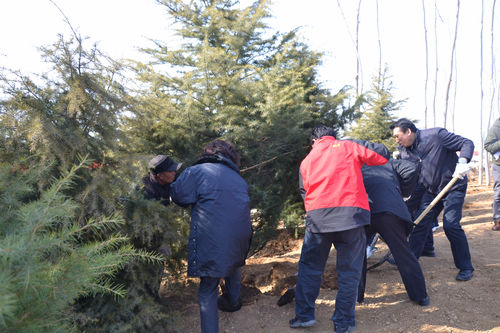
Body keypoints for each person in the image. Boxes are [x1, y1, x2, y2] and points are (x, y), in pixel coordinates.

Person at [290, 125, 389, 333]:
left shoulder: (307, 160)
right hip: (351, 218)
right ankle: (343, 323)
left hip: (318, 221)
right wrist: (354, 142)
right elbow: (382, 154)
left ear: (313, 141)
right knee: (349, 272)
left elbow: (304, 191)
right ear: (332, 136)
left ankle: (304, 316)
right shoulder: (348, 147)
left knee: (309, 269)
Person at [170, 140, 252, 333]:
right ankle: (233, 301)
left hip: (212, 237)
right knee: (233, 264)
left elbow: (180, 197)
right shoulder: (238, 178)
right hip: (241, 236)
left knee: (208, 288)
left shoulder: (197, 171)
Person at [391, 118, 474, 281]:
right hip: (431, 190)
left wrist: (463, 161)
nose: (396, 140)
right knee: (420, 222)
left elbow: (467, 143)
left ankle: (466, 267)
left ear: (408, 131)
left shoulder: (436, 135)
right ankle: (411, 258)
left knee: (451, 225)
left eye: (397, 136)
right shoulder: (404, 151)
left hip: (453, 186)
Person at [356, 149, 429, 306]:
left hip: (362, 211)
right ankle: (420, 295)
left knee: (357, 254)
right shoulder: (388, 163)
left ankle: (357, 296)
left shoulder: (357, 165)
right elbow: (411, 168)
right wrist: (404, 191)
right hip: (389, 212)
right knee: (403, 253)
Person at [484, 117, 500, 231]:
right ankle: (498, 219)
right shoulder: (497, 126)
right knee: (499, 192)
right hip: (499, 165)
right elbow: (488, 146)